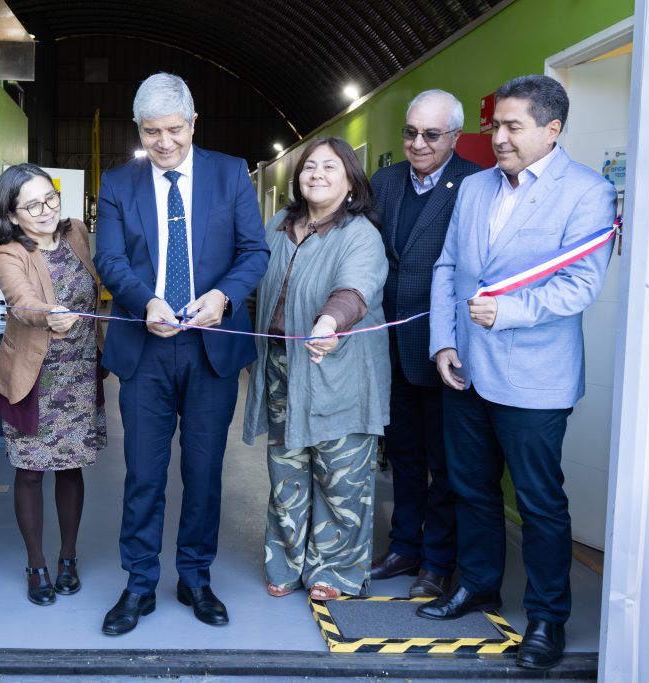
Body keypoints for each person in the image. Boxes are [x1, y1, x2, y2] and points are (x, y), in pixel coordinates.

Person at [421, 75, 616, 671]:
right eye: (495, 124)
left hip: (536, 380)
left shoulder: (588, 192)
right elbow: (450, 265)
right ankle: (478, 584)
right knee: (471, 490)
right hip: (466, 371)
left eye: (513, 127)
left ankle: (548, 618)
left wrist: (509, 311)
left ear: (552, 130)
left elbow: (581, 283)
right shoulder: (476, 187)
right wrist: (444, 344)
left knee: (539, 503)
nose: (497, 137)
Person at [94, 72, 269, 635]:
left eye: (173, 130)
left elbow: (254, 251)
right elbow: (111, 259)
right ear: (138, 130)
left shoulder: (229, 174)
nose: (163, 143)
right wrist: (146, 301)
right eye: (151, 132)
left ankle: (195, 576)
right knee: (143, 473)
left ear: (194, 122)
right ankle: (139, 583)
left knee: (203, 472)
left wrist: (223, 296)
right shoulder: (120, 183)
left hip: (211, 348)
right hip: (145, 349)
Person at [242, 137, 389, 602]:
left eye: (330, 167)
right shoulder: (278, 227)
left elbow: (354, 290)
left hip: (339, 369)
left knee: (340, 476)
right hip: (282, 368)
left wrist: (329, 322)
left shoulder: (359, 233)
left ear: (350, 181)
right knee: (286, 472)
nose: (317, 174)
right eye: (309, 167)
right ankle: (285, 563)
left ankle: (338, 569)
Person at [369, 90, 482, 598]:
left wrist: (449, 342)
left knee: (445, 462)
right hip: (386, 344)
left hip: (444, 350)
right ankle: (403, 547)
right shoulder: (385, 182)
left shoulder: (475, 185)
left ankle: (438, 563)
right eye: (411, 132)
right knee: (405, 455)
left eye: (431, 135)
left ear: (454, 137)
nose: (418, 143)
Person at [0, 164, 107, 606]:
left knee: (71, 468)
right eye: (32, 205)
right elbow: (21, 300)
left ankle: (68, 559)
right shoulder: (8, 254)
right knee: (31, 472)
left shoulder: (76, 234)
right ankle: (36, 564)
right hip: (34, 376)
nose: (45, 210)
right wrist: (48, 314)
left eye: (50, 199)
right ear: (13, 215)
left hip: (78, 373)